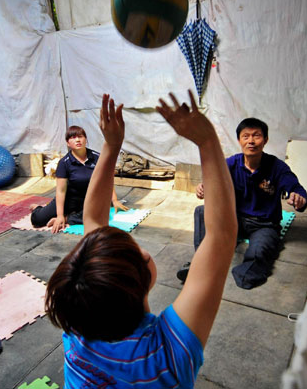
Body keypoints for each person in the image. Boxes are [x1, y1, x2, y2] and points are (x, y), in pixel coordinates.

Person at [45, 91, 237, 388]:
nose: (143, 249)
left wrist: (111, 146)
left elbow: (93, 221)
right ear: (145, 269)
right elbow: (222, 235)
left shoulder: (78, 329)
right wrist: (207, 141)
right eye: (136, 250)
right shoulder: (168, 355)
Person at [177, 118, 307, 289]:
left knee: (259, 252)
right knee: (202, 211)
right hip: (234, 219)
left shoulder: (276, 166)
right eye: (245, 136)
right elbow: (213, 180)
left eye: (256, 136)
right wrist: (203, 188)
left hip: (264, 224)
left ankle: (246, 272)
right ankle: (201, 264)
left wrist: (299, 197)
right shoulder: (232, 163)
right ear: (239, 140)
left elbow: (295, 187)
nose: (251, 141)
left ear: (265, 140)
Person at [30, 125, 128, 233]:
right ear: (68, 143)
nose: (77, 140)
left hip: (90, 199)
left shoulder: (97, 157)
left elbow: (107, 180)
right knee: (37, 220)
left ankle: (69, 218)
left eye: (80, 136)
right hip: (70, 200)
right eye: (73, 137)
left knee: (97, 218)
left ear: (85, 139)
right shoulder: (64, 163)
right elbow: (61, 191)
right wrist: (60, 215)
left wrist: (114, 200)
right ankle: (38, 208)